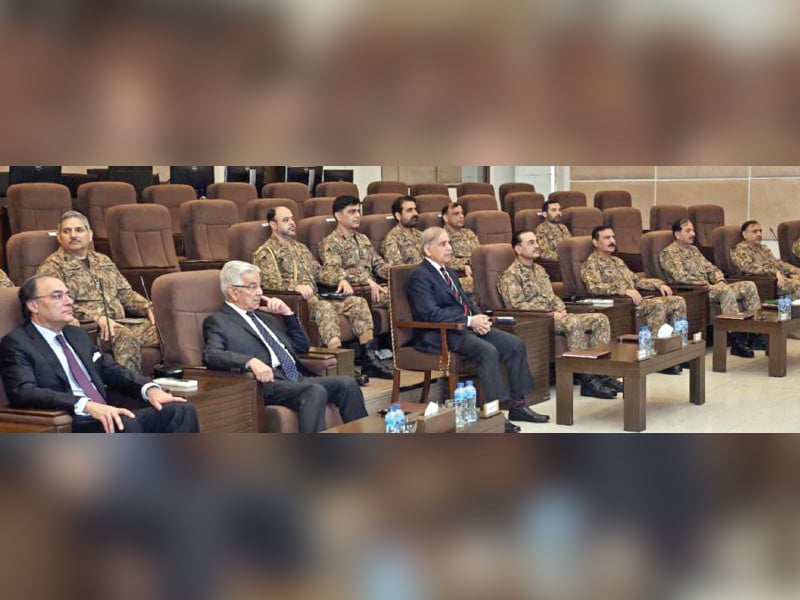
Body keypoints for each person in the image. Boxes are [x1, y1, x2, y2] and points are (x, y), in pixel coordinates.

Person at [0, 276, 198, 433]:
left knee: (181, 411)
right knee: (122, 424)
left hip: (106, 412)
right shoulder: (18, 343)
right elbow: (24, 392)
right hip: (73, 420)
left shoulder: (77, 335)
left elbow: (110, 369)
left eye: (69, 295)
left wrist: (149, 389)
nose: (69, 302)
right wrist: (85, 405)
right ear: (33, 305)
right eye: (57, 296)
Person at [408, 227, 549, 431]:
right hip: (441, 333)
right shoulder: (419, 276)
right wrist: (468, 321)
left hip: (463, 327)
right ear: (427, 250)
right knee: (487, 351)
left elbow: (465, 301)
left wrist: (479, 318)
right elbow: (430, 314)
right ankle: (494, 414)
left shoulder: (447, 272)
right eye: (443, 244)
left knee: (514, 344)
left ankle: (518, 405)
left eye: (449, 242)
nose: (449, 248)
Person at [203, 261, 368, 433]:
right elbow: (212, 354)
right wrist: (250, 362)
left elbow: (301, 347)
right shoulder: (219, 321)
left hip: (296, 377)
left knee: (348, 384)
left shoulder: (265, 318)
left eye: (260, 286)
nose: (259, 292)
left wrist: (287, 314)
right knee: (314, 391)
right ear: (233, 291)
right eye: (252, 287)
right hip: (267, 384)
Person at [252, 206, 392, 380]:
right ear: (273, 225)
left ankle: (369, 360)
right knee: (325, 307)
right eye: (286, 220)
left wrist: (339, 278)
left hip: (316, 297)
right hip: (295, 302)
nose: (292, 223)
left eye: (292, 219)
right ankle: (341, 366)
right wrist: (293, 287)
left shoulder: (300, 247)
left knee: (357, 303)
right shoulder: (266, 252)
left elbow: (320, 272)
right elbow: (267, 281)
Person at [498, 231, 619, 398]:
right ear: (518, 249)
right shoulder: (510, 276)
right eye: (531, 243)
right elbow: (517, 306)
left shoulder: (539, 270)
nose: (537, 245)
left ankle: (602, 373)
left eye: (537, 241)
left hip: (556, 315)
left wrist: (560, 308)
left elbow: (551, 295)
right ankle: (588, 380)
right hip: (537, 321)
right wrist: (549, 314)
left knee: (600, 319)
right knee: (574, 324)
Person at [36, 210, 160, 374]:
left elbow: (125, 293)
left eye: (79, 230)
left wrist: (147, 307)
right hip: (89, 329)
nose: (73, 235)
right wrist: (96, 318)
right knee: (125, 337)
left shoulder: (103, 260)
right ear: (59, 237)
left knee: (165, 330)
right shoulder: (52, 267)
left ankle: (172, 384)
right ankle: (130, 392)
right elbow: (53, 305)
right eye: (67, 231)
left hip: (120, 322)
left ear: (90, 235)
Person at [582, 225, 688, 374]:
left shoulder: (617, 261)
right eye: (607, 238)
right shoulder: (591, 264)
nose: (612, 241)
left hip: (637, 302)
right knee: (657, 305)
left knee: (677, 300)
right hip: (621, 306)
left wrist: (658, 284)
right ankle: (656, 355)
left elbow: (636, 281)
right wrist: (623, 290)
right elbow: (593, 287)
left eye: (613, 237)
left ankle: (676, 351)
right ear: (595, 242)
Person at [660, 218, 761, 358]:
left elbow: (712, 268)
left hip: (712, 287)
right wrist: (710, 285)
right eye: (688, 231)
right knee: (725, 291)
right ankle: (736, 341)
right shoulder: (669, 253)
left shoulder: (694, 250)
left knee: (748, 286)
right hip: (697, 291)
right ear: (677, 234)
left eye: (693, 230)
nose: (693, 234)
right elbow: (680, 276)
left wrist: (719, 279)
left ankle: (755, 335)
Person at [319, 195, 390, 308]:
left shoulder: (363, 238)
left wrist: (395, 274)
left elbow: (378, 264)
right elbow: (331, 272)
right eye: (352, 212)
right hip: (356, 291)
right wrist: (364, 280)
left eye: (358, 211)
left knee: (404, 291)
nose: (357, 216)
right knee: (396, 300)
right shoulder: (330, 242)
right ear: (338, 216)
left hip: (373, 287)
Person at [732, 220, 800, 298]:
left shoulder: (763, 248)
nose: (759, 234)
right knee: (798, 285)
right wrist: (774, 273)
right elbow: (747, 267)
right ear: (745, 234)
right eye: (755, 232)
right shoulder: (740, 250)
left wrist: (797, 271)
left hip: (780, 278)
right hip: (767, 282)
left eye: (760, 231)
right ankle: (792, 310)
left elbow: (778, 263)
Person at [442, 201, 480, 294]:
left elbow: (479, 252)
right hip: (458, 275)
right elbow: (443, 259)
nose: (461, 216)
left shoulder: (469, 232)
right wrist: (464, 265)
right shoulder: (441, 236)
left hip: (477, 269)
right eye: (456, 213)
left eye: (462, 213)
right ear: (445, 218)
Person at [381, 195, 423, 265]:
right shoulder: (391, 240)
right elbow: (399, 270)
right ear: (398, 216)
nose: (415, 213)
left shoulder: (421, 234)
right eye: (409, 210)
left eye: (415, 209)